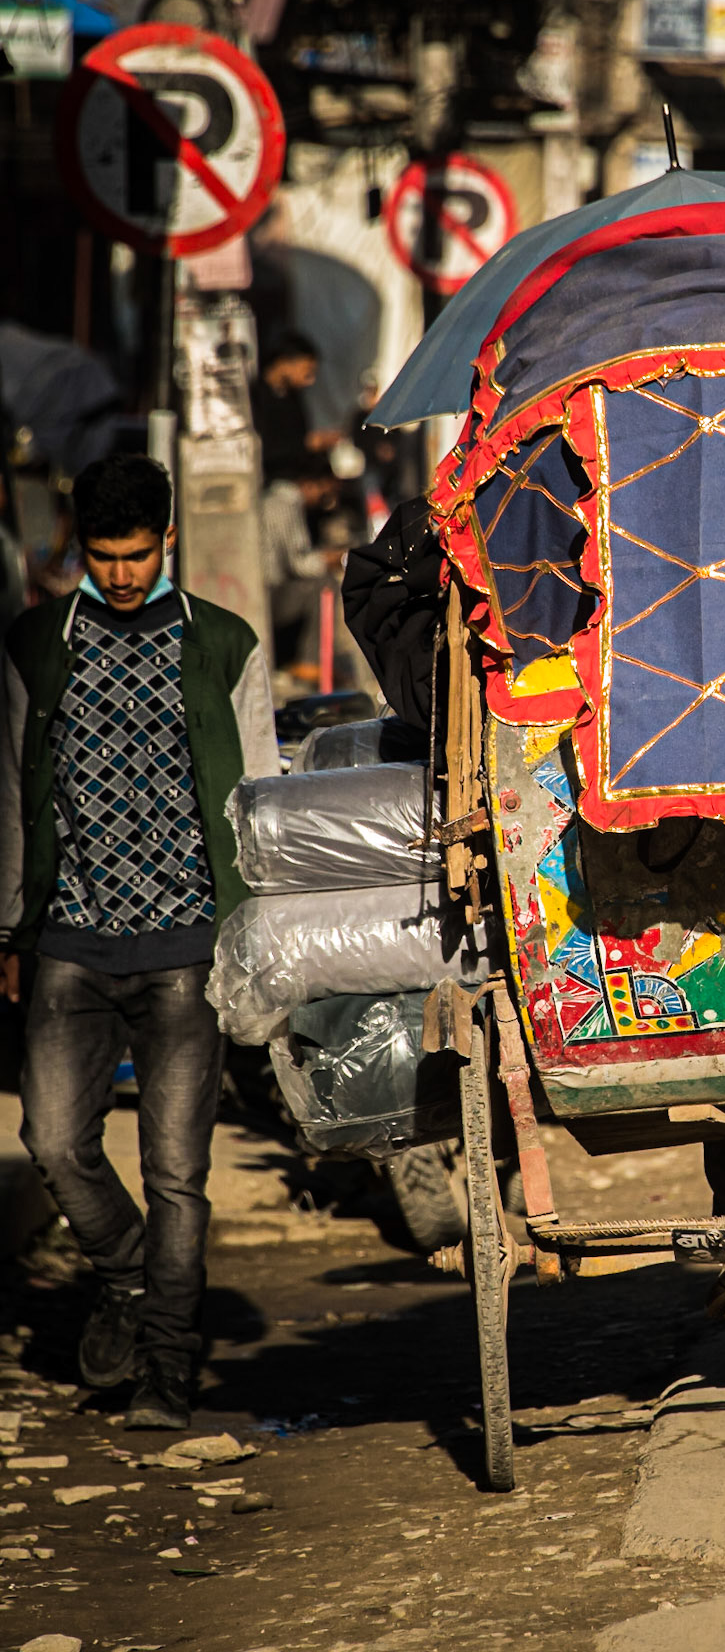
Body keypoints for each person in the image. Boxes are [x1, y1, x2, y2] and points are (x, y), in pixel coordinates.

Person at [0, 454, 278, 1429]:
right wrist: (10, 924)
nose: (120, 574)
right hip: (71, 942)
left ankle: (168, 1363)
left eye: (137, 554)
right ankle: (125, 1280)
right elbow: (12, 794)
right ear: (78, 549)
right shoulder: (35, 643)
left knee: (176, 1173)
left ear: (168, 543)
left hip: (185, 949)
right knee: (56, 1140)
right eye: (103, 556)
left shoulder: (225, 644)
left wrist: (259, 937)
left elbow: (258, 796)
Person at [261, 460, 344, 674]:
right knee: (324, 585)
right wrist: (331, 559)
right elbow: (298, 564)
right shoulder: (286, 503)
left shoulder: (272, 498)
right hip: (270, 592)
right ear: (308, 484)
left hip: (271, 589)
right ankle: (311, 662)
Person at [250, 329, 338, 483]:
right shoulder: (256, 397)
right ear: (285, 363)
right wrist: (304, 445)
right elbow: (261, 447)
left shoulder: (293, 398)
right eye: (307, 372)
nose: (310, 380)